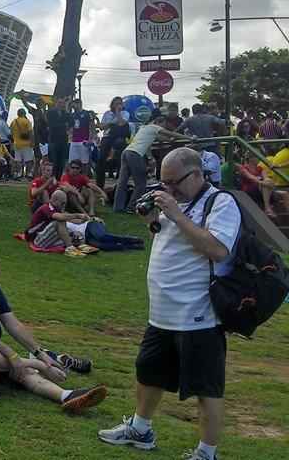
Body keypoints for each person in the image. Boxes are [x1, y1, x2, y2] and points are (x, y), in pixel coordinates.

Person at [99, 148, 241, 460]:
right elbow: (172, 240)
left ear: (197, 174)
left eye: (174, 182)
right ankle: (140, 429)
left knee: (206, 387)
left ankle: (206, 453)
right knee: (148, 372)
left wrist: (175, 213)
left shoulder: (221, 203)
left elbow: (217, 249)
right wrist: (153, 221)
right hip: (162, 312)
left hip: (198, 314)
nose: (168, 189)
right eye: (163, 182)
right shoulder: (176, 200)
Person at [0, 251, 108, 413]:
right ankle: (40, 363)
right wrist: (17, 357)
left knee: (23, 373)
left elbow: (13, 324)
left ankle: (66, 396)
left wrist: (38, 351)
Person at [113, 110, 189, 213]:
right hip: (135, 154)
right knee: (140, 183)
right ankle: (131, 207)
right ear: (159, 122)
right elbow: (171, 134)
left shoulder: (143, 128)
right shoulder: (155, 127)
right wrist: (189, 138)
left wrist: (169, 140)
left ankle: (118, 207)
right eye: (163, 124)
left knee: (122, 182)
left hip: (126, 152)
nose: (164, 127)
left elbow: (163, 139)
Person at [26, 189, 98, 258]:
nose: (64, 205)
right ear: (55, 200)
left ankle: (81, 245)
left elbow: (73, 220)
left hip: (46, 237)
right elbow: (60, 217)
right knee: (59, 221)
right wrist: (77, 215)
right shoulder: (46, 207)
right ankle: (70, 248)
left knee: (76, 233)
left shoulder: (57, 209)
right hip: (37, 239)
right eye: (62, 203)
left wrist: (86, 219)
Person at [96, 97, 131, 188]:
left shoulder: (125, 113)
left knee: (120, 159)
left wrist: (118, 112)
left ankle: (120, 184)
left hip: (118, 138)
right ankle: (99, 184)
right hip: (107, 137)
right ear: (112, 104)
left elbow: (122, 123)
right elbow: (102, 127)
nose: (118, 105)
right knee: (101, 160)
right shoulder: (107, 113)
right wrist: (111, 123)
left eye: (120, 103)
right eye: (116, 104)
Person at [46, 97, 71, 178]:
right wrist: (64, 125)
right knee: (54, 160)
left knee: (61, 161)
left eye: (62, 103)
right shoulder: (50, 113)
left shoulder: (65, 113)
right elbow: (52, 124)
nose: (61, 105)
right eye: (59, 103)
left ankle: (59, 178)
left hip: (63, 140)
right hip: (54, 139)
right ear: (56, 103)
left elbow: (71, 122)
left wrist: (66, 109)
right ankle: (52, 178)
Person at [68, 98, 94, 170]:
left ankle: (84, 178)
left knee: (84, 162)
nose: (74, 106)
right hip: (74, 140)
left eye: (75, 104)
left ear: (79, 104)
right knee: (72, 161)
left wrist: (90, 139)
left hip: (84, 141)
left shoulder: (86, 113)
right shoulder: (72, 115)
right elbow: (70, 128)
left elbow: (91, 126)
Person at [10, 108, 34, 179]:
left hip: (17, 144)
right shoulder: (27, 121)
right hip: (27, 144)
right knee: (28, 160)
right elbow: (30, 132)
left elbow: (11, 132)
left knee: (18, 160)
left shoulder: (13, 122)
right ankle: (28, 174)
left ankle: (19, 173)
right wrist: (32, 142)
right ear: (24, 113)